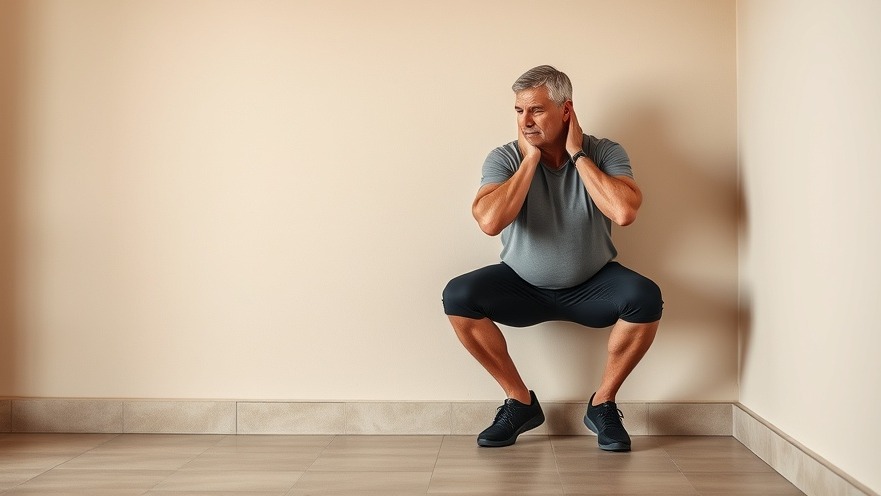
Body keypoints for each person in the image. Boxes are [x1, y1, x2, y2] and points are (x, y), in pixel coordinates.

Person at [442, 65, 663, 452]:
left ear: (566, 110)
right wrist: (529, 161)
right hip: (521, 286)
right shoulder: (505, 157)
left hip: (593, 286)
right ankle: (520, 402)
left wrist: (577, 153)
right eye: (518, 111)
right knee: (458, 295)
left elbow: (624, 212)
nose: (525, 121)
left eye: (537, 110)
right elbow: (490, 222)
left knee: (646, 296)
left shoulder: (604, 151)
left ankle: (603, 404)